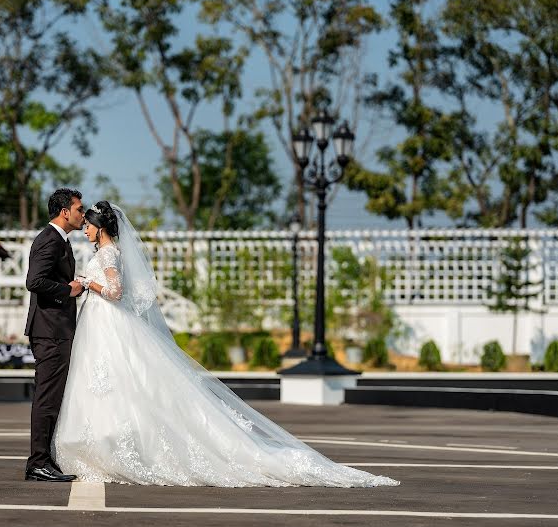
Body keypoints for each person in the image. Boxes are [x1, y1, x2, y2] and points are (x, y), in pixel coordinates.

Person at [52, 201, 399, 488]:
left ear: (102, 227)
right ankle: (107, 444)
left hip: (109, 324)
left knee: (117, 385)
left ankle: (107, 447)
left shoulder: (109, 255)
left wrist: (87, 283)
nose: (84, 228)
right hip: (103, 326)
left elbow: (115, 292)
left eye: (89, 224)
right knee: (114, 386)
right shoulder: (109, 252)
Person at [23, 188, 85, 482]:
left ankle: (45, 459)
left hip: (56, 331)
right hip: (49, 332)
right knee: (47, 397)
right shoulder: (49, 240)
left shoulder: (59, 241)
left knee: (53, 396)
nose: (82, 215)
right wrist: (67, 290)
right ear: (65, 212)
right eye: (79, 209)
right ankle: (37, 462)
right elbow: (34, 281)